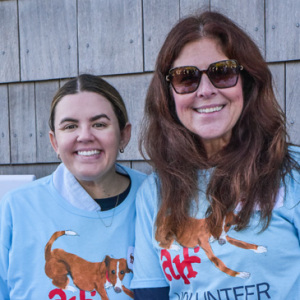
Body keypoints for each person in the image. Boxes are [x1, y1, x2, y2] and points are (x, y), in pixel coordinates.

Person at [131, 11, 300, 299]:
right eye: (186, 78)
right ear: (169, 94)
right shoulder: (156, 192)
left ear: (246, 82)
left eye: (223, 72)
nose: (206, 90)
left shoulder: (291, 172)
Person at [0, 74, 146, 300]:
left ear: (124, 135)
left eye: (99, 124)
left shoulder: (153, 198)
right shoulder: (16, 208)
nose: (85, 136)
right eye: (70, 126)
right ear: (54, 142)